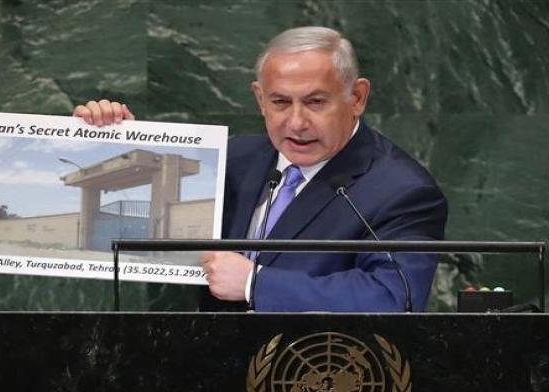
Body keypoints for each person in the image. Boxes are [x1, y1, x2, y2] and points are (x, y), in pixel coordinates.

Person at [73, 26, 448, 312]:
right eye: (280, 102)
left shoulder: (402, 190)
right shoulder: (235, 159)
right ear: (259, 99)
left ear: (357, 97)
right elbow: (156, 232)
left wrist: (256, 283)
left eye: (316, 102)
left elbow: (393, 297)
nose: (296, 123)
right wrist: (115, 138)